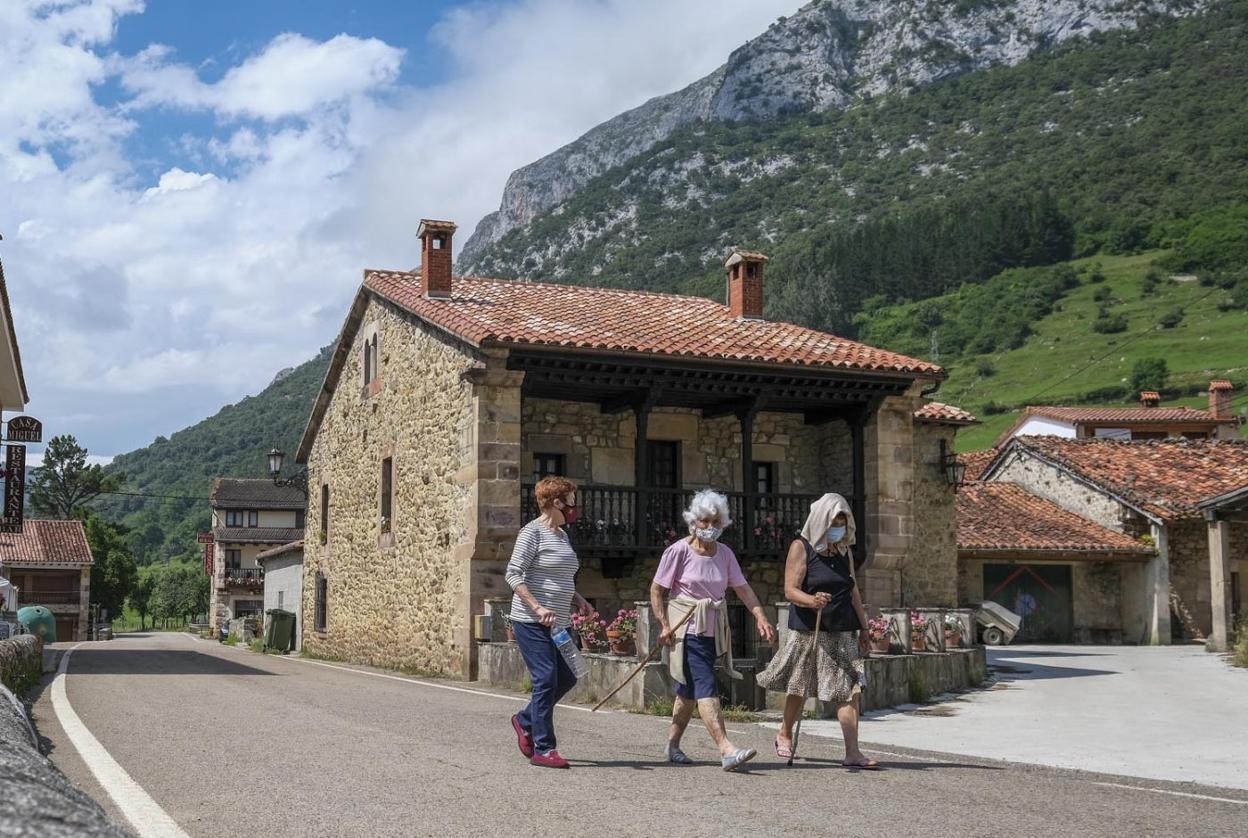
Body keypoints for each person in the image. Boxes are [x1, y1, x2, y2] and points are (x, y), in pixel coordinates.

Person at [650, 489, 778, 771]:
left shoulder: (726, 554)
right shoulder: (678, 551)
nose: (710, 527)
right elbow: (657, 590)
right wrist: (664, 624)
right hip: (687, 632)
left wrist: (760, 617)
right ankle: (726, 749)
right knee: (706, 686)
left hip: (711, 631)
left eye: (716, 523)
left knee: (688, 692)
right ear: (693, 521)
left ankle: (672, 746)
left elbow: (742, 589)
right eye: (705, 521)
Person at [756, 493, 879, 770]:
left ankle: (852, 752)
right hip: (809, 629)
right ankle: (784, 733)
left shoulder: (843, 551)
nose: (839, 527)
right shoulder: (802, 547)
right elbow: (790, 589)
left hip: (842, 628)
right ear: (822, 520)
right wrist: (812, 600)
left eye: (843, 522)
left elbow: (853, 591)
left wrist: (863, 626)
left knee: (848, 690)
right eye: (835, 521)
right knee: (800, 685)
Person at [505, 475, 594, 769]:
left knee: (567, 676)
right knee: (545, 678)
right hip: (531, 621)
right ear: (556, 502)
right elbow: (514, 574)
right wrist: (537, 607)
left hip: (559, 622)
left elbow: (560, 576)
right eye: (571, 500)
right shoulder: (531, 533)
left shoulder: (562, 535)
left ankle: (525, 719)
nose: (574, 506)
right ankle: (544, 748)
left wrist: (579, 599)